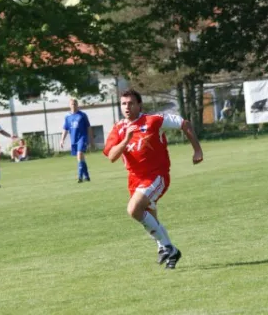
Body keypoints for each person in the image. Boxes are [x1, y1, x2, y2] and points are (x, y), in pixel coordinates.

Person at [103, 89, 204, 269]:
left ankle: (165, 247)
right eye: (123, 103)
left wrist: (197, 150)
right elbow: (111, 156)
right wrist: (126, 139)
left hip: (156, 175)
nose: (127, 107)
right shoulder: (118, 129)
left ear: (139, 104)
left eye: (131, 103)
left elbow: (184, 124)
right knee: (149, 217)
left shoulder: (154, 120)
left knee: (134, 209)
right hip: (135, 180)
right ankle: (171, 250)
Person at [60, 98, 94, 183]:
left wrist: (91, 139)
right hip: (73, 139)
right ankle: (87, 176)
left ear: (77, 105)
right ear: (69, 105)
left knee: (79, 155)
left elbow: (88, 127)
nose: (73, 105)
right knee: (81, 158)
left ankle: (80, 177)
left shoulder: (82, 115)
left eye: (75, 104)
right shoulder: (67, 117)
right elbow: (65, 129)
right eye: (72, 104)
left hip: (82, 138)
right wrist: (62, 140)